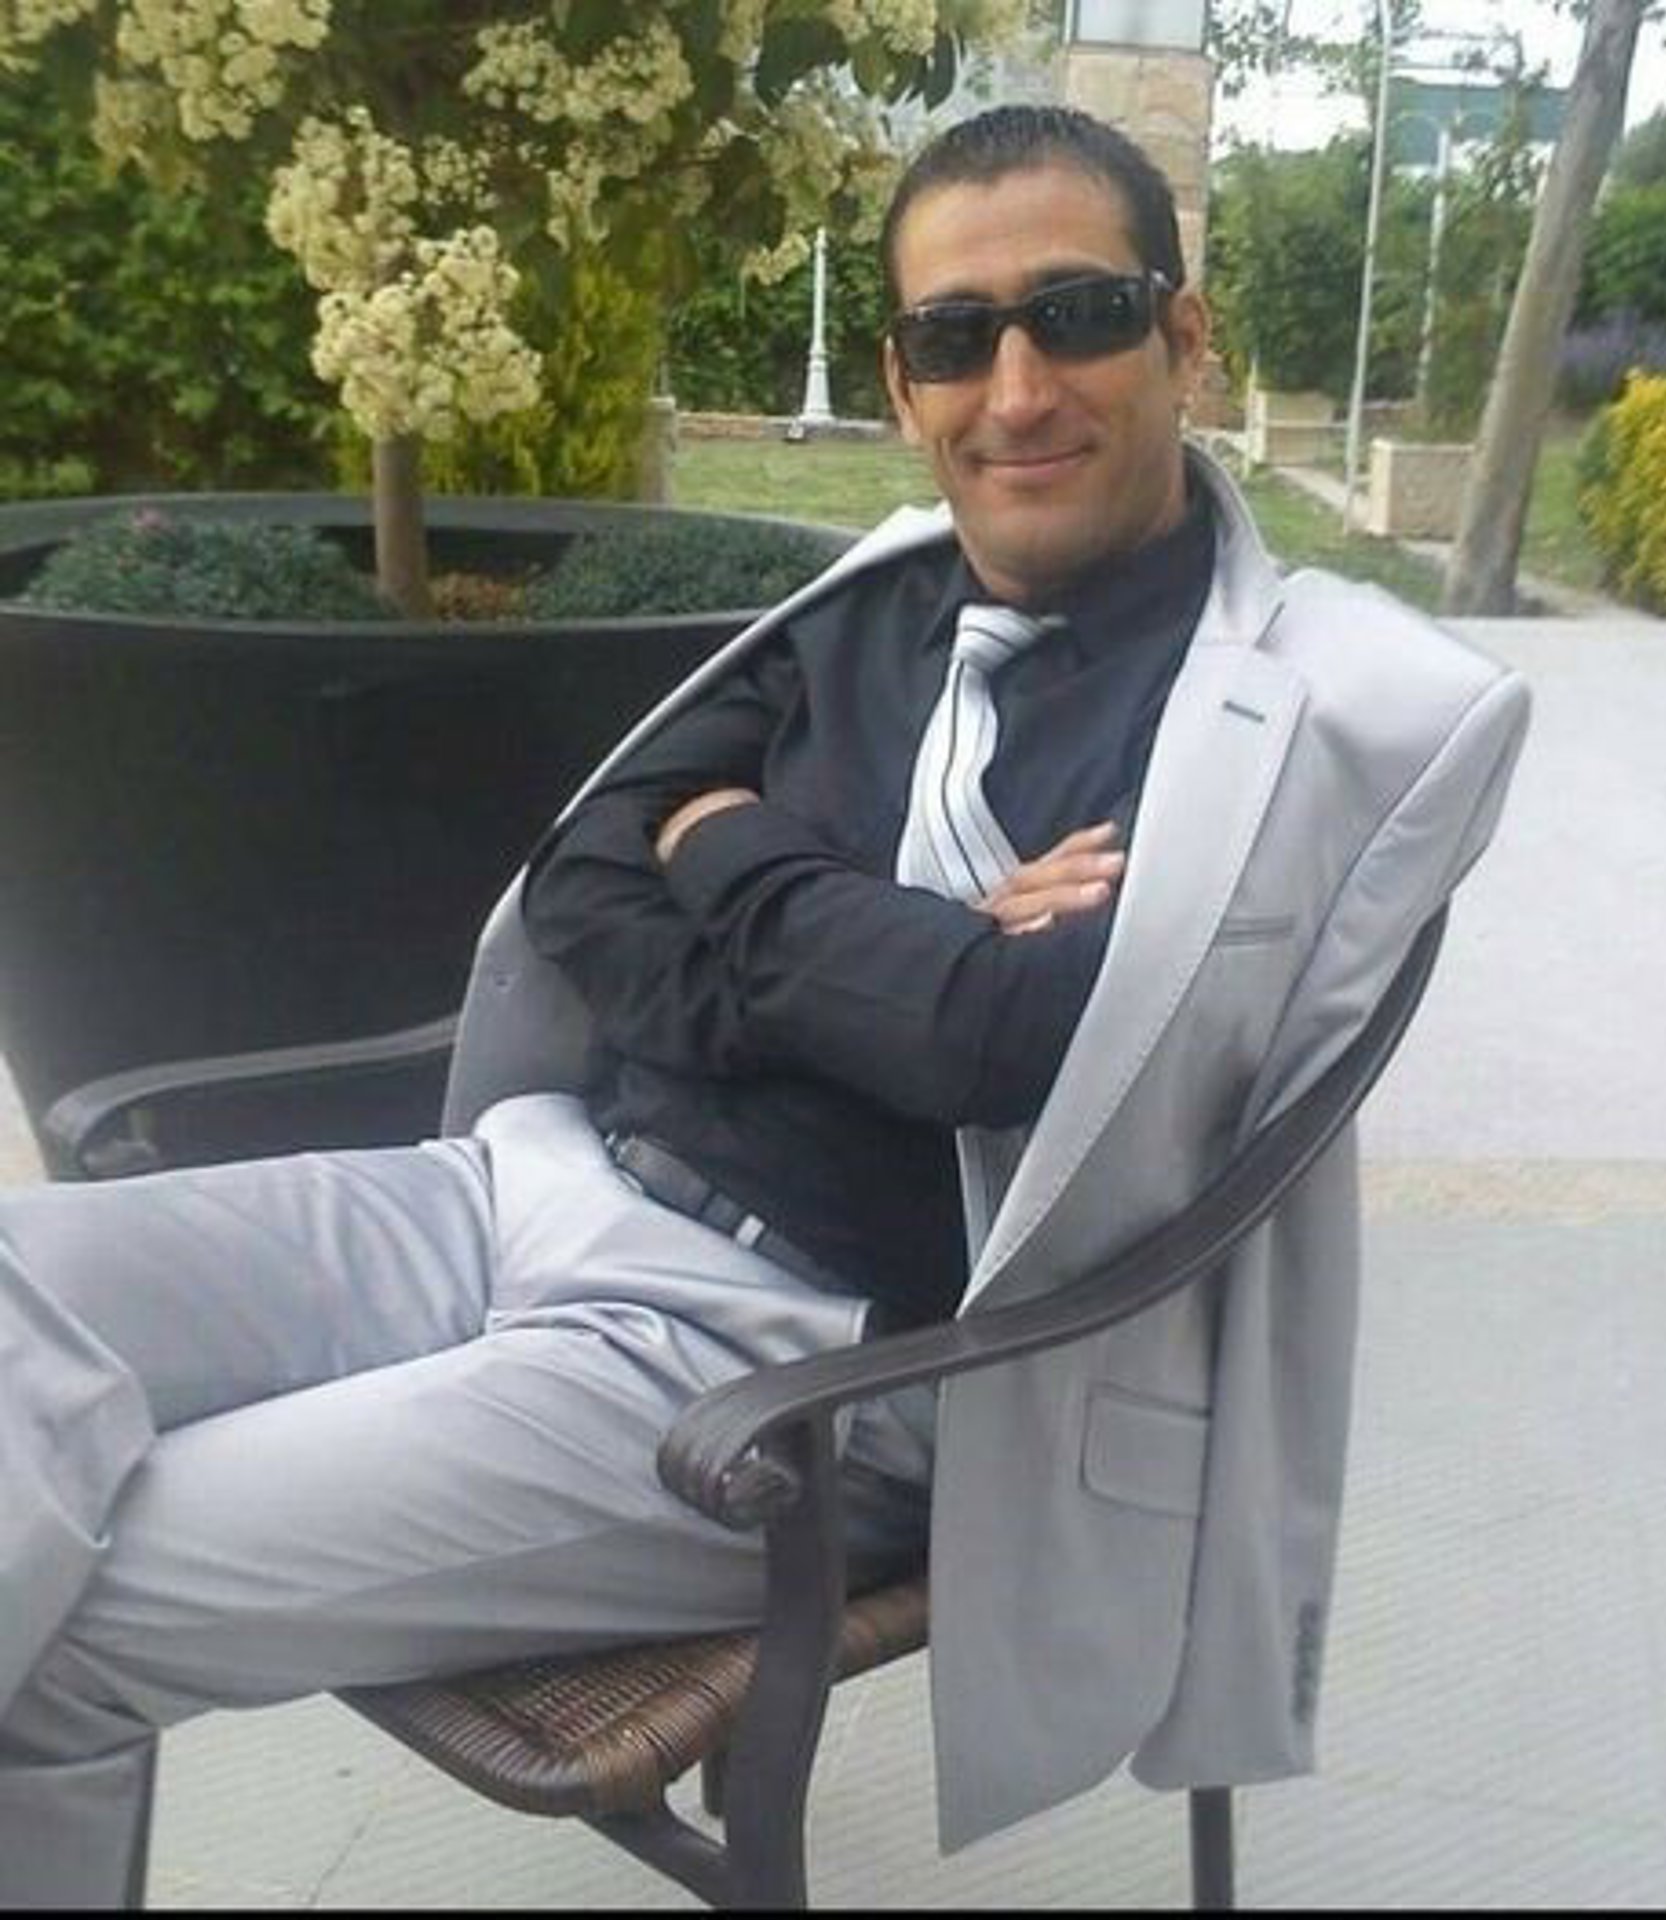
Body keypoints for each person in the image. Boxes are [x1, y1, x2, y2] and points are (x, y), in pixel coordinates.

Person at [0, 105, 1529, 1906]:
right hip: (522, 1187)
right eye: (955, 336)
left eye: (1080, 315)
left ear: (1183, 339)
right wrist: (886, 943)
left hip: (792, 1366)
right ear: (900, 382)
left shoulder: (1288, 708)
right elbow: (588, 875)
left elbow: (993, 1043)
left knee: (71, 1615)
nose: (1016, 389)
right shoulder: (865, 608)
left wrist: (732, 850)